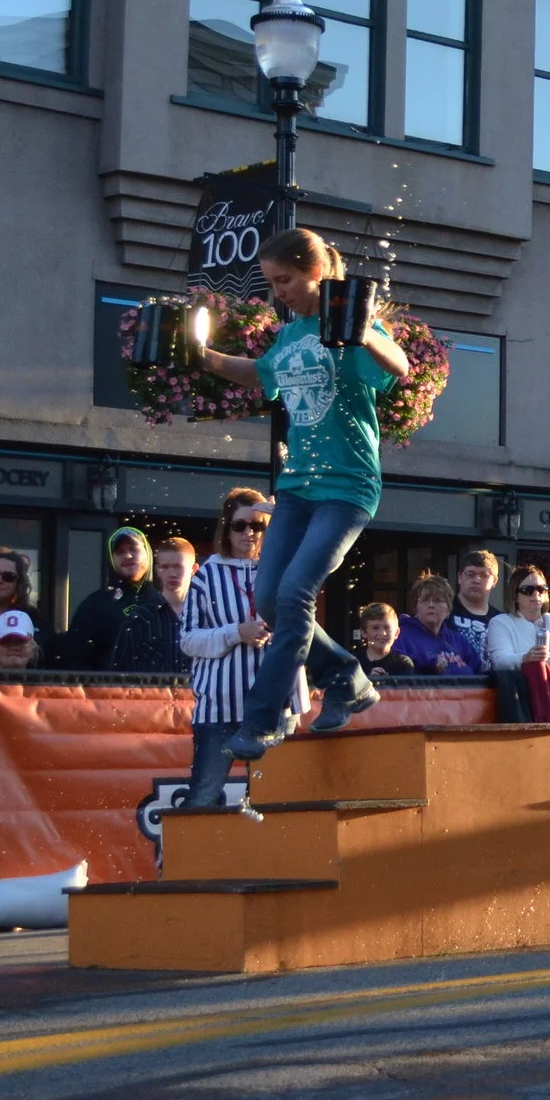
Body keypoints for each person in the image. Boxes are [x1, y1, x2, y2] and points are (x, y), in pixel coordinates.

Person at [197, 227, 413, 759]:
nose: (279, 292)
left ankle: (263, 718)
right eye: (272, 283)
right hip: (296, 489)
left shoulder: (348, 324)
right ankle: (346, 676)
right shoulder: (290, 336)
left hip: (347, 488)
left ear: (316, 273)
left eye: (285, 280)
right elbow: (264, 375)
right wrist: (207, 358)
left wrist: (365, 332)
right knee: (270, 601)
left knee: (294, 594)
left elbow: (401, 367)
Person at [177, 488, 269, 811]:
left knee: (275, 803)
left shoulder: (278, 571)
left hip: (269, 710)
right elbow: (187, 639)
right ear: (225, 528)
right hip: (220, 710)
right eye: (240, 525)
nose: (249, 533)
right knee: (203, 797)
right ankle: (183, 862)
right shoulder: (205, 577)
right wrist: (235, 633)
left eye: (258, 526)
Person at [485, 565, 550, 722]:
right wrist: (525, 658)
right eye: (528, 590)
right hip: (524, 715)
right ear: (515, 595)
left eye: (542, 589)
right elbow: (500, 660)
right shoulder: (501, 623)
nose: (536, 594)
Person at [64, 528, 152, 671]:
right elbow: (74, 659)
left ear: (147, 553)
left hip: (158, 691)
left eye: (133, 549)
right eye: (120, 552)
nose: (128, 555)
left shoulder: (165, 601)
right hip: (109, 691)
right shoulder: (95, 605)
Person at [109, 538, 196, 674]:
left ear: (194, 569)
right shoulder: (139, 618)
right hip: (151, 694)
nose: (172, 574)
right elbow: (119, 672)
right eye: (165, 567)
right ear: (157, 570)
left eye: (178, 566)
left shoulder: (207, 616)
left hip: (196, 694)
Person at [394, 575, 485, 675]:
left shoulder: (458, 641)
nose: (431, 605)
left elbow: (479, 673)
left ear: (448, 610)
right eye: (425, 600)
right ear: (415, 608)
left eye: (438, 600)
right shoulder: (401, 637)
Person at [448, 548, 501, 663]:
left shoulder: (501, 620)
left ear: (494, 581)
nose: (476, 580)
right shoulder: (444, 612)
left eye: (484, 575)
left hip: (493, 680)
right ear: (459, 577)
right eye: (470, 574)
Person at [353, 603, 416, 685]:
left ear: (396, 633)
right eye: (375, 628)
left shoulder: (403, 663)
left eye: (387, 628)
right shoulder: (353, 662)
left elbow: (406, 694)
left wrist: (387, 682)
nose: (382, 633)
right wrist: (368, 681)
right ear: (364, 632)